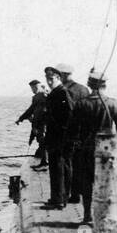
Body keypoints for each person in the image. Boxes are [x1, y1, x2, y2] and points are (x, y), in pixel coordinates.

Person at [71, 71, 117, 223]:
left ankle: (87, 215)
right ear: (105, 85)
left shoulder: (81, 103)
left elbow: (71, 128)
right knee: (106, 182)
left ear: (89, 85)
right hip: (107, 148)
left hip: (87, 148)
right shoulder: (112, 103)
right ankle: (105, 216)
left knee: (87, 183)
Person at [57, 63, 91, 203]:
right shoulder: (84, 89)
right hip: (83, 134)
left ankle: (66, 195)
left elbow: (65, 114)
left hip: (68, 133)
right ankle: (77, 194)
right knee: (79, 165)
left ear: (63, 75)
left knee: (66, 164)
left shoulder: (64, 90)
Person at [43, 65, 73, 208]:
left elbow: (69, 117)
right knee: (55, 168)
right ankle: (57, 198)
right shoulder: (56, 92)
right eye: (47, 78)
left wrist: (63, 137)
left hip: (60, 139)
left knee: (59, 169)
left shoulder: (62, 93)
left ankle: (59, 200)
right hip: (55, 138)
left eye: (51, 78)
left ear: (58, 78)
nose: (48, 81)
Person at [16, 79, 49, 169]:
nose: (33, 89)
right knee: (41, 142)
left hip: (43, 123)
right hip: (38, 123)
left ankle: (45, 162)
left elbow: (36, 110)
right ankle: (44, 161)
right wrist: (21, 119)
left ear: (39, 86)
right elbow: (31, 110)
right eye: (32, 88)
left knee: (43, 142)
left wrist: (21, 119)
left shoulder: (44, 95)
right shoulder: (37, 97)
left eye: (34, 87)